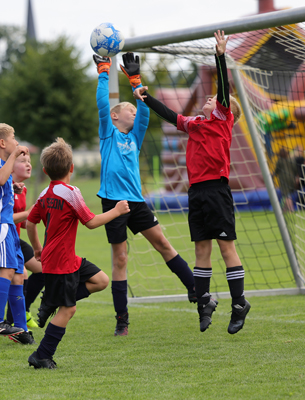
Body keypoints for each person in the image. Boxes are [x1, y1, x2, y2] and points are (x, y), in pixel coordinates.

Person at [133, 30, 250, 334]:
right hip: (196, 193)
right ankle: (204, 303)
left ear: (225, 110)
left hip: (216, 191)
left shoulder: (222, 119)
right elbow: (170, 115)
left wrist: (220, 56)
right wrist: (144, 95)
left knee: (226, 249)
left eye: (214, 100)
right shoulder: (195, 124)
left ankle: (239, 304)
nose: (209, 99)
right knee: (201, 250)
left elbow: (223, 89)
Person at [93, 51, 196, 336]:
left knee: (163, 243)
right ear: (115, 116)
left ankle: (196, 290)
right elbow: (102, 103)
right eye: (129, 109)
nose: (135, 112)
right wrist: (104, 72)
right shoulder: (108, 133)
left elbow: (146, 110)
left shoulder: (135, 137)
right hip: (113, 202)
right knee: (120, 259)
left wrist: (136, 80)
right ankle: (122, 319)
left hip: (137, 203)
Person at [26, 138, 130, 369]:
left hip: (63, 258)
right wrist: (116, 211)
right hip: (60, 262)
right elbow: (90, 222)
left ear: (45, 171)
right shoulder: (71, 192)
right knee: (69, 309)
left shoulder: (44, 194)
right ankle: (42, 355)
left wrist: (37, 248)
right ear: (71, 167)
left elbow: (30, 223)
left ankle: (51, 302)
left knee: (101, 280)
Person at [0, 153, 45, 329]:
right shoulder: (1, 185)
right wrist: (30, 213)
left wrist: (39, 217)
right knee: (16, 275)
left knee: (42, 269)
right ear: (11, 167)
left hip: (12, 236)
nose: (29, 165)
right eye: (23, 161)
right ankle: (7, 322)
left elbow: (21, 222)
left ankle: (22, 313)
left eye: (29, 161)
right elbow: (1, 216)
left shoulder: (21, 189)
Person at [0, 123, 33, 344]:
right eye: (13, 139)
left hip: (8, 225)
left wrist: (12, 187)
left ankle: (20, 329)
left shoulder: (0, 165)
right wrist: (13, 158)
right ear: (2, 143)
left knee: (19, 275)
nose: (17, 143)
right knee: (8, 270)